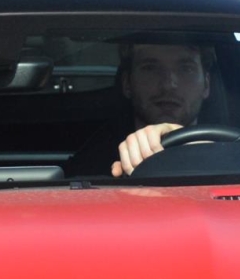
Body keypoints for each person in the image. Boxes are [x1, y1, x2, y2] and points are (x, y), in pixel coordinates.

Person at [69, 39, 214, 179]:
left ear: (206, 85)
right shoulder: (95, 161)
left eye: (186, 69)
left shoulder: (234, 151)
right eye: (150, 68)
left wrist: (207, 152)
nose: (168, 85)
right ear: (127, 83)